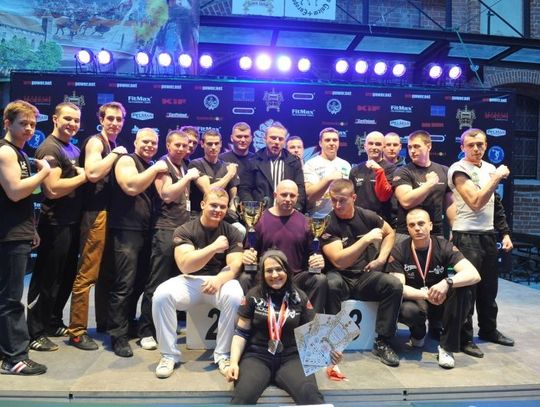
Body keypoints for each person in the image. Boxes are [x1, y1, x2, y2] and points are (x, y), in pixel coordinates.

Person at [227, 249, 342, 405]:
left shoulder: (300, 297)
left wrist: (331, 355)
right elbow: (241, 333)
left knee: (311, 396)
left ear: (287, 271)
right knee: (242, 397)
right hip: (257, 357)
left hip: (291, 358)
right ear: (262, 274)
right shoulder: (253, 295)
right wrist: (233, 362)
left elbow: (314, 335)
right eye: (269, 270)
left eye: (279, 269)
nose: (275, 275)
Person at [152, 187, 244, 379]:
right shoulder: (185, 230)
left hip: (220, 280)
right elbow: (186, 265)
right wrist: (213, 248)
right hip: (190, 280)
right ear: (203, 204)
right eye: (213, 205)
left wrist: (219, 280)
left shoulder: (232, 231)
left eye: (222, 207)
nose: (218, 210)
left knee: (236, 295)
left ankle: (223, 354)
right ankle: (168, 355)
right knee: (161, 295)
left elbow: (235, 265)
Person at [320, 179, 402, 367]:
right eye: (333, 200)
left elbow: (390, 233)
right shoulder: (327, 223)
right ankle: (332, 343)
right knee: (330, 284)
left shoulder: (368, 216)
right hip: (340, 275)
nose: (337, 205)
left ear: (354, 198)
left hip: (364, 275)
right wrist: (365, 240)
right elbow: (339, 261)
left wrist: (381, 258)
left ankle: (382, 342)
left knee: (394, 285)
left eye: (342, 200)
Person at [448, 128, 515, 358]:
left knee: (489, 289)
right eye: (471, 145)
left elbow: (495, 204)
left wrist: (504, 233)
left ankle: (488, 330)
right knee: (467, 290)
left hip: (487, 236)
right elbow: (476, 203)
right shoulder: (458, 169)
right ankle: (465, 338)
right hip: (466, 236)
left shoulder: (489, 168)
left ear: (486, 145)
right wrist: (496, 178)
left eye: (480, 144)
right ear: (462, 147)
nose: (476, 149)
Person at [27, 102, 88, 352]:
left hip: (71, 223)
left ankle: (52, 321)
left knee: (65, 278)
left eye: (76, 120)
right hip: (54, 224)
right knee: (47, 280)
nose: (72, 124)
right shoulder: (49, 148)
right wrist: (84, 176)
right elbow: (52, 190)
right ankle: (34, 331)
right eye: (67, 119)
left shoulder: (73, 148)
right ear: (55, 119)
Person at [67, 101, 128, 350]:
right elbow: (92, 173)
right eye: (110, 118)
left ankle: (103, 322)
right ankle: (76, 332)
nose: (114, 123)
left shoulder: (110, 144)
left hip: (108, 214)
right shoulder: (96, 142)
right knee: (87, 273)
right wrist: (116, 155)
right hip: (95, 214)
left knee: (106, 273)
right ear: (101, 119)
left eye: (119, 119)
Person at [387, 208, 481, 369]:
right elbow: (399, 287)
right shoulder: (399, 250)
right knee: (407, 310)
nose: (417, 228)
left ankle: (446, 347)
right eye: (412, 225)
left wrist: (447, 282)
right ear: (407, 228)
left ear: (430, 226)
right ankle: (418, 332)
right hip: (416, 300)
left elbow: (474, 274)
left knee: (465, 289)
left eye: (421, 223)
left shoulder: (444, 246)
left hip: (441, 299)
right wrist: (425, 295)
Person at [105, 128, 168, 357]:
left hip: (146, 230)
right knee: (124, 284)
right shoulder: (126, 160)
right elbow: (131, 187)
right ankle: (118, 335)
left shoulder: (149, 165)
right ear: (135, 141)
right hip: (126, 230)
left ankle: (129, 323)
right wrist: (156, 168)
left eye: (153, 142)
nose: (150, 145)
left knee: (140, 283)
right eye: (145, 141)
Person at [0, 100, 51, 374]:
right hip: (8, 235)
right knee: (10, 299)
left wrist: (31, 228)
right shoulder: (6, 152)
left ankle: (5, 353)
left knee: (6, 297)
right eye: (23, 123)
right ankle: (14, 358)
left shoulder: (19, 152)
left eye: (32, 124)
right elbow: (16, 191)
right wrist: (44, 173)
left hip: (16, 231)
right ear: (7, 123)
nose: (30, 129)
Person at [138, 130, 200, 350]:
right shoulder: (163, 165)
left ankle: (165, 325)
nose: (182, 149)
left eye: (185, 145)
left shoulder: (184, 165)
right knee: (157, 281)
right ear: (168, 145)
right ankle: (146, 330)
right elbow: (166, 195)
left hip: (182, 229)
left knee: (175, 280)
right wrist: (188, 178)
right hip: (164, 229)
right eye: (178, 145)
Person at [239, 180, 327, 312]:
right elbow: (249, 250)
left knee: (319, 279)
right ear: (275, 195)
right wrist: (247, 256)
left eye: (292, 195)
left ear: (297, 197)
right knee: (245, 278)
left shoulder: (306, 223)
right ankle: (246, 320)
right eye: (284, 195)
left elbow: (314, 252)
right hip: (267, 276)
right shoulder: (258, 220)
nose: (288, 199)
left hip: (295, 278)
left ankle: (312, 323)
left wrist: (318, 260)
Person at [393, 130, 454, 241]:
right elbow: (406, 201)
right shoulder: (403, 171)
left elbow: (450, 204)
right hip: (407, 233)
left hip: (436, 232)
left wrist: (453, 229)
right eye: (410, 147)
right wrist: (429, 184)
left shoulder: (444, 171)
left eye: (416, 146)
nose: (412, 151)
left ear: (429, 146)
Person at [241, 122, 306, 211]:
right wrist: (253, 211)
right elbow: (245, 189)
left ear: (284, 142)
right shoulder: (253, 161)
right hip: (260, 213)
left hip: (288, 212)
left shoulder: (294, 162)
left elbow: (300, 189)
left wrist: (295, 210)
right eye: (273, 138)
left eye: (280, 139)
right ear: (265, 139)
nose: (276, 142)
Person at [188, 129, 240, 224]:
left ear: (221, 144)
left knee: (240, 229)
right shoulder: (195, 164)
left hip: (222, 217)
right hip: (199, 216)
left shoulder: (228, 166)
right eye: (209, 144)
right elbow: (208, 191)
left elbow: (234, 197)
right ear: (202, 144)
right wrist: (229, 175)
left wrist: (231, 212)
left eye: (216, 143)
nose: (213, 147)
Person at [349, 131, 395, 225]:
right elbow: (350, 198)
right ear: (365, 146)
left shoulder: (390, 169)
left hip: (381, 220)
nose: (374, 147)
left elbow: (384, 196)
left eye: (378, 144)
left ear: (384, 147)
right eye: (370, 143)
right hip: (359, 220)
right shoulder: (355, 170)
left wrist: (379, 170)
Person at [304, 127, 351, 215]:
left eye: (335, 140)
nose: (331, 143)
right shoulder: (311, 164)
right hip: (318, 216)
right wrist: (328, 179)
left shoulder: (346, 165)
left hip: (342, 216)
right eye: (327, 140)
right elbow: (310, 196)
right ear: (320, 143)